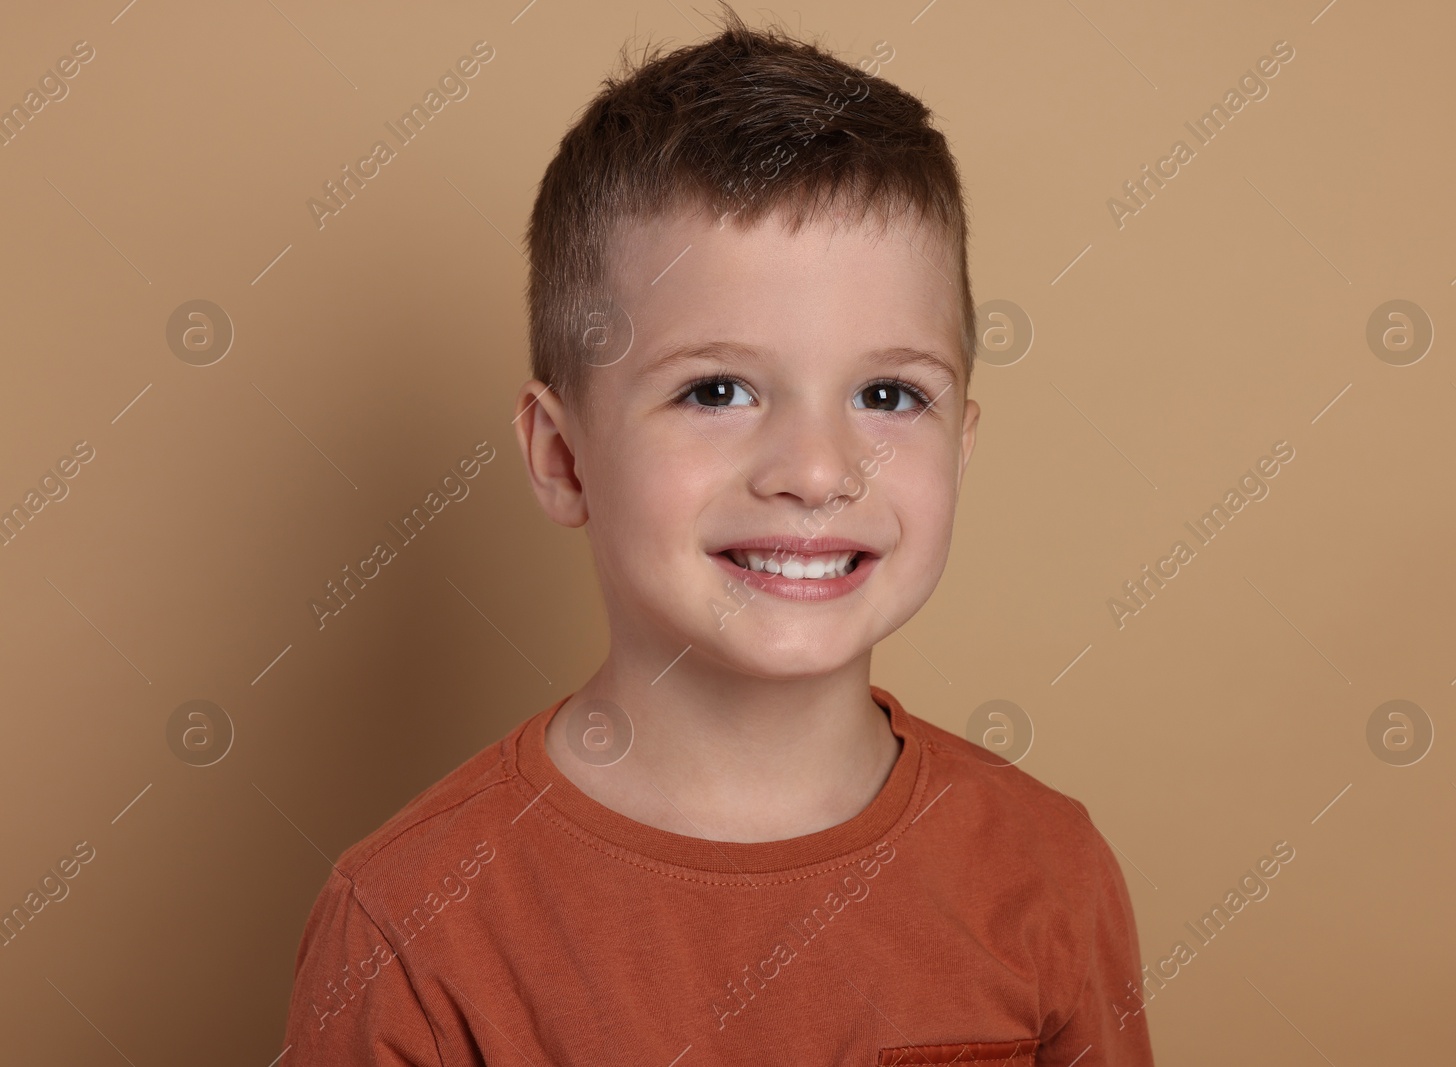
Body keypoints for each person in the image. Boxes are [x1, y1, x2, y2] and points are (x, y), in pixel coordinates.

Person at [282, 8, 1155, 1063]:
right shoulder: (407, 922)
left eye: (888, 391)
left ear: (961, 445)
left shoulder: (1049, 869)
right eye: (718, 388)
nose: (817, 470)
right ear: (563, 459)